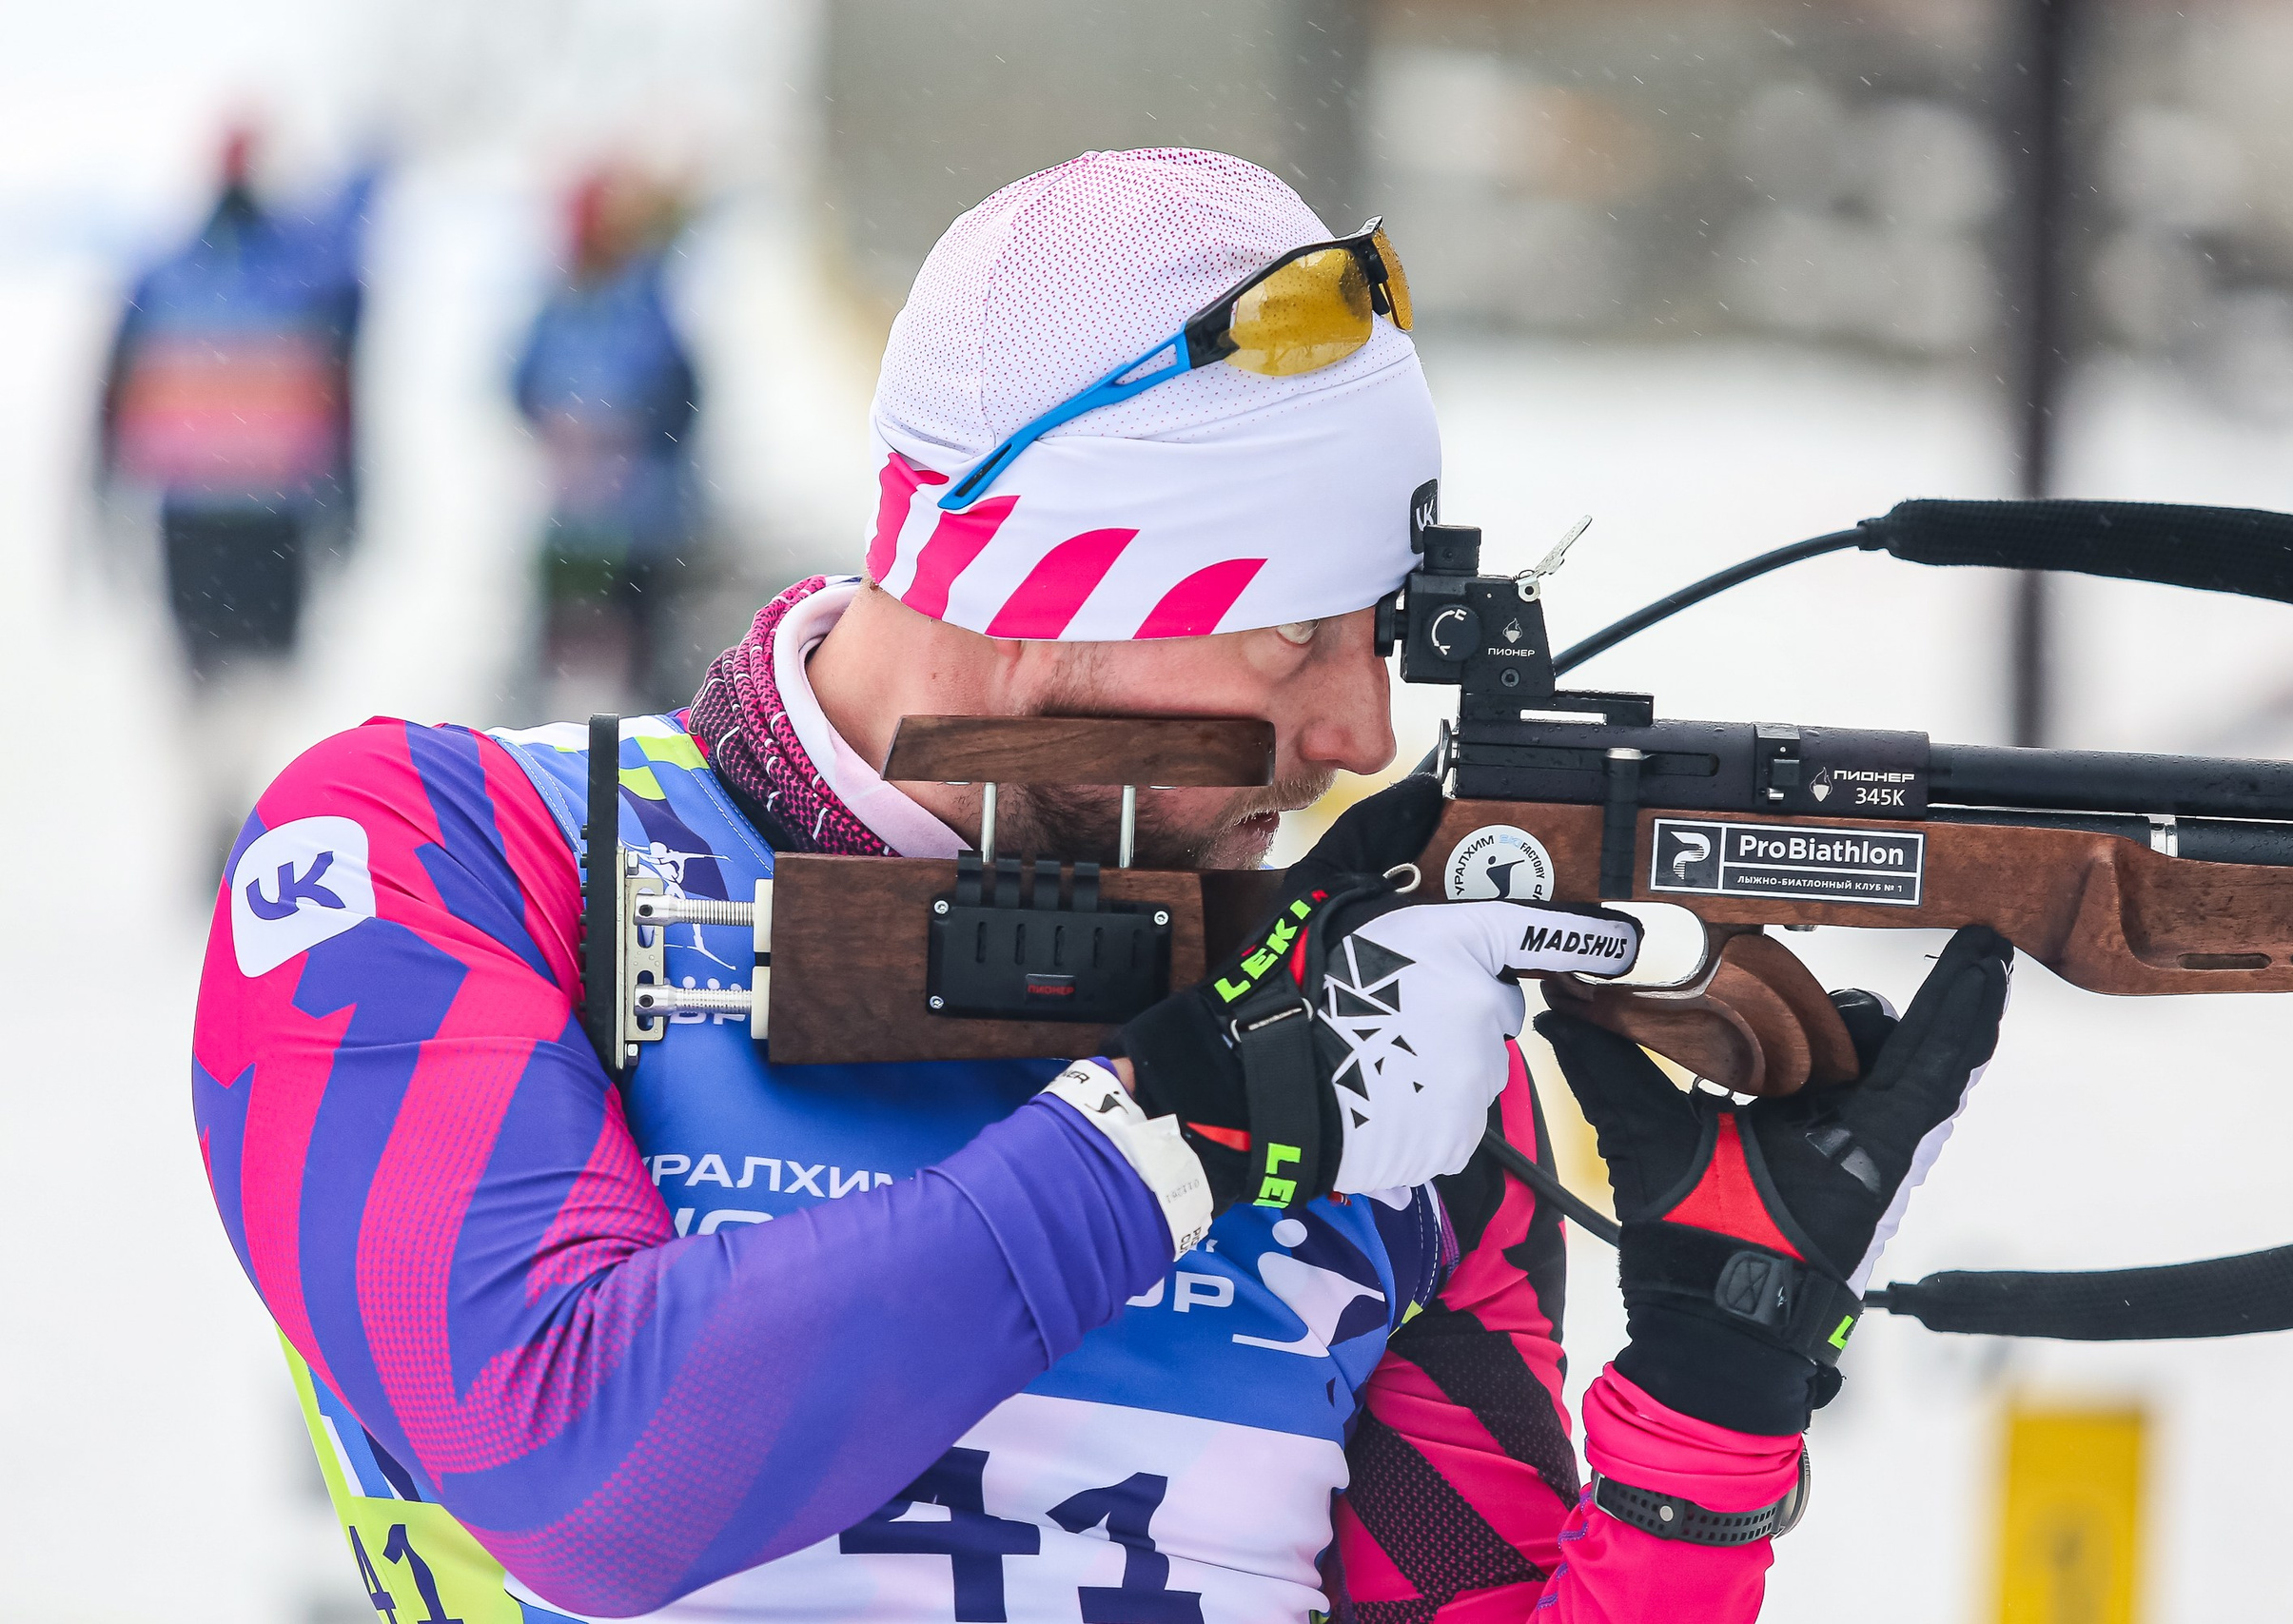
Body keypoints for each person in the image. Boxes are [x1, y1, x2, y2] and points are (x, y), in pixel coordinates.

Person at [192, 149, 2012, 1623]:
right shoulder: (450, 857)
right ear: (1032, 595)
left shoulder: (1376, 1060)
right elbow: (585, 1477)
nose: (1358, 730)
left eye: (1376, 634)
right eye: (1291, 635)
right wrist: (1184, 1134)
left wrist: (1708, 1413)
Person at [102, 124, 371, 680]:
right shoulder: (307, 275)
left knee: (212, 657)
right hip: (268, 500)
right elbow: (344, 380)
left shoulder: (168, 272)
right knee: (259, 663)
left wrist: (104, 481)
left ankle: (220, 720)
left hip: (200, 501)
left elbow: (113, 389)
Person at [512, 166, 702, 711]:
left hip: (640, 510)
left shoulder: (644, 300)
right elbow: (520, 383)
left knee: (639, 635)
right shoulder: (563, 304)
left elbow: (677, 391)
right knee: (565, 630)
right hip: (576, 507)